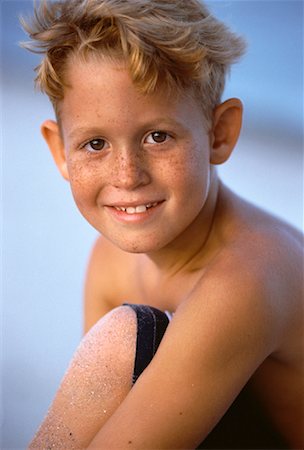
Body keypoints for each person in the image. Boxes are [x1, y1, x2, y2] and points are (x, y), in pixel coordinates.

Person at [21, 0, 303, 448]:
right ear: (60, 152)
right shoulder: (110, 260)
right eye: (95, 144)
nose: (127, 175)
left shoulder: (247, 278)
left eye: (158, 137)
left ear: (220, 133)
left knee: (122, 337)